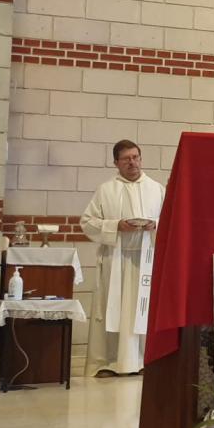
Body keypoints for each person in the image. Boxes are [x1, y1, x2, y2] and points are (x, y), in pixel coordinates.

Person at [80, 140, 165, 376]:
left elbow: (170, 221)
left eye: (136, 157)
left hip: (146, 261)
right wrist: (115, 225)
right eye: (126, 158)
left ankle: (143, 360)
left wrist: (154, 224)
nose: (132, 162)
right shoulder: (106, 190)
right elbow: (87, 223)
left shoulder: (156, 189)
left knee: (143, 310)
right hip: (115, 260)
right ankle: (109, 362)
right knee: (112, 309)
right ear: (116, 162)